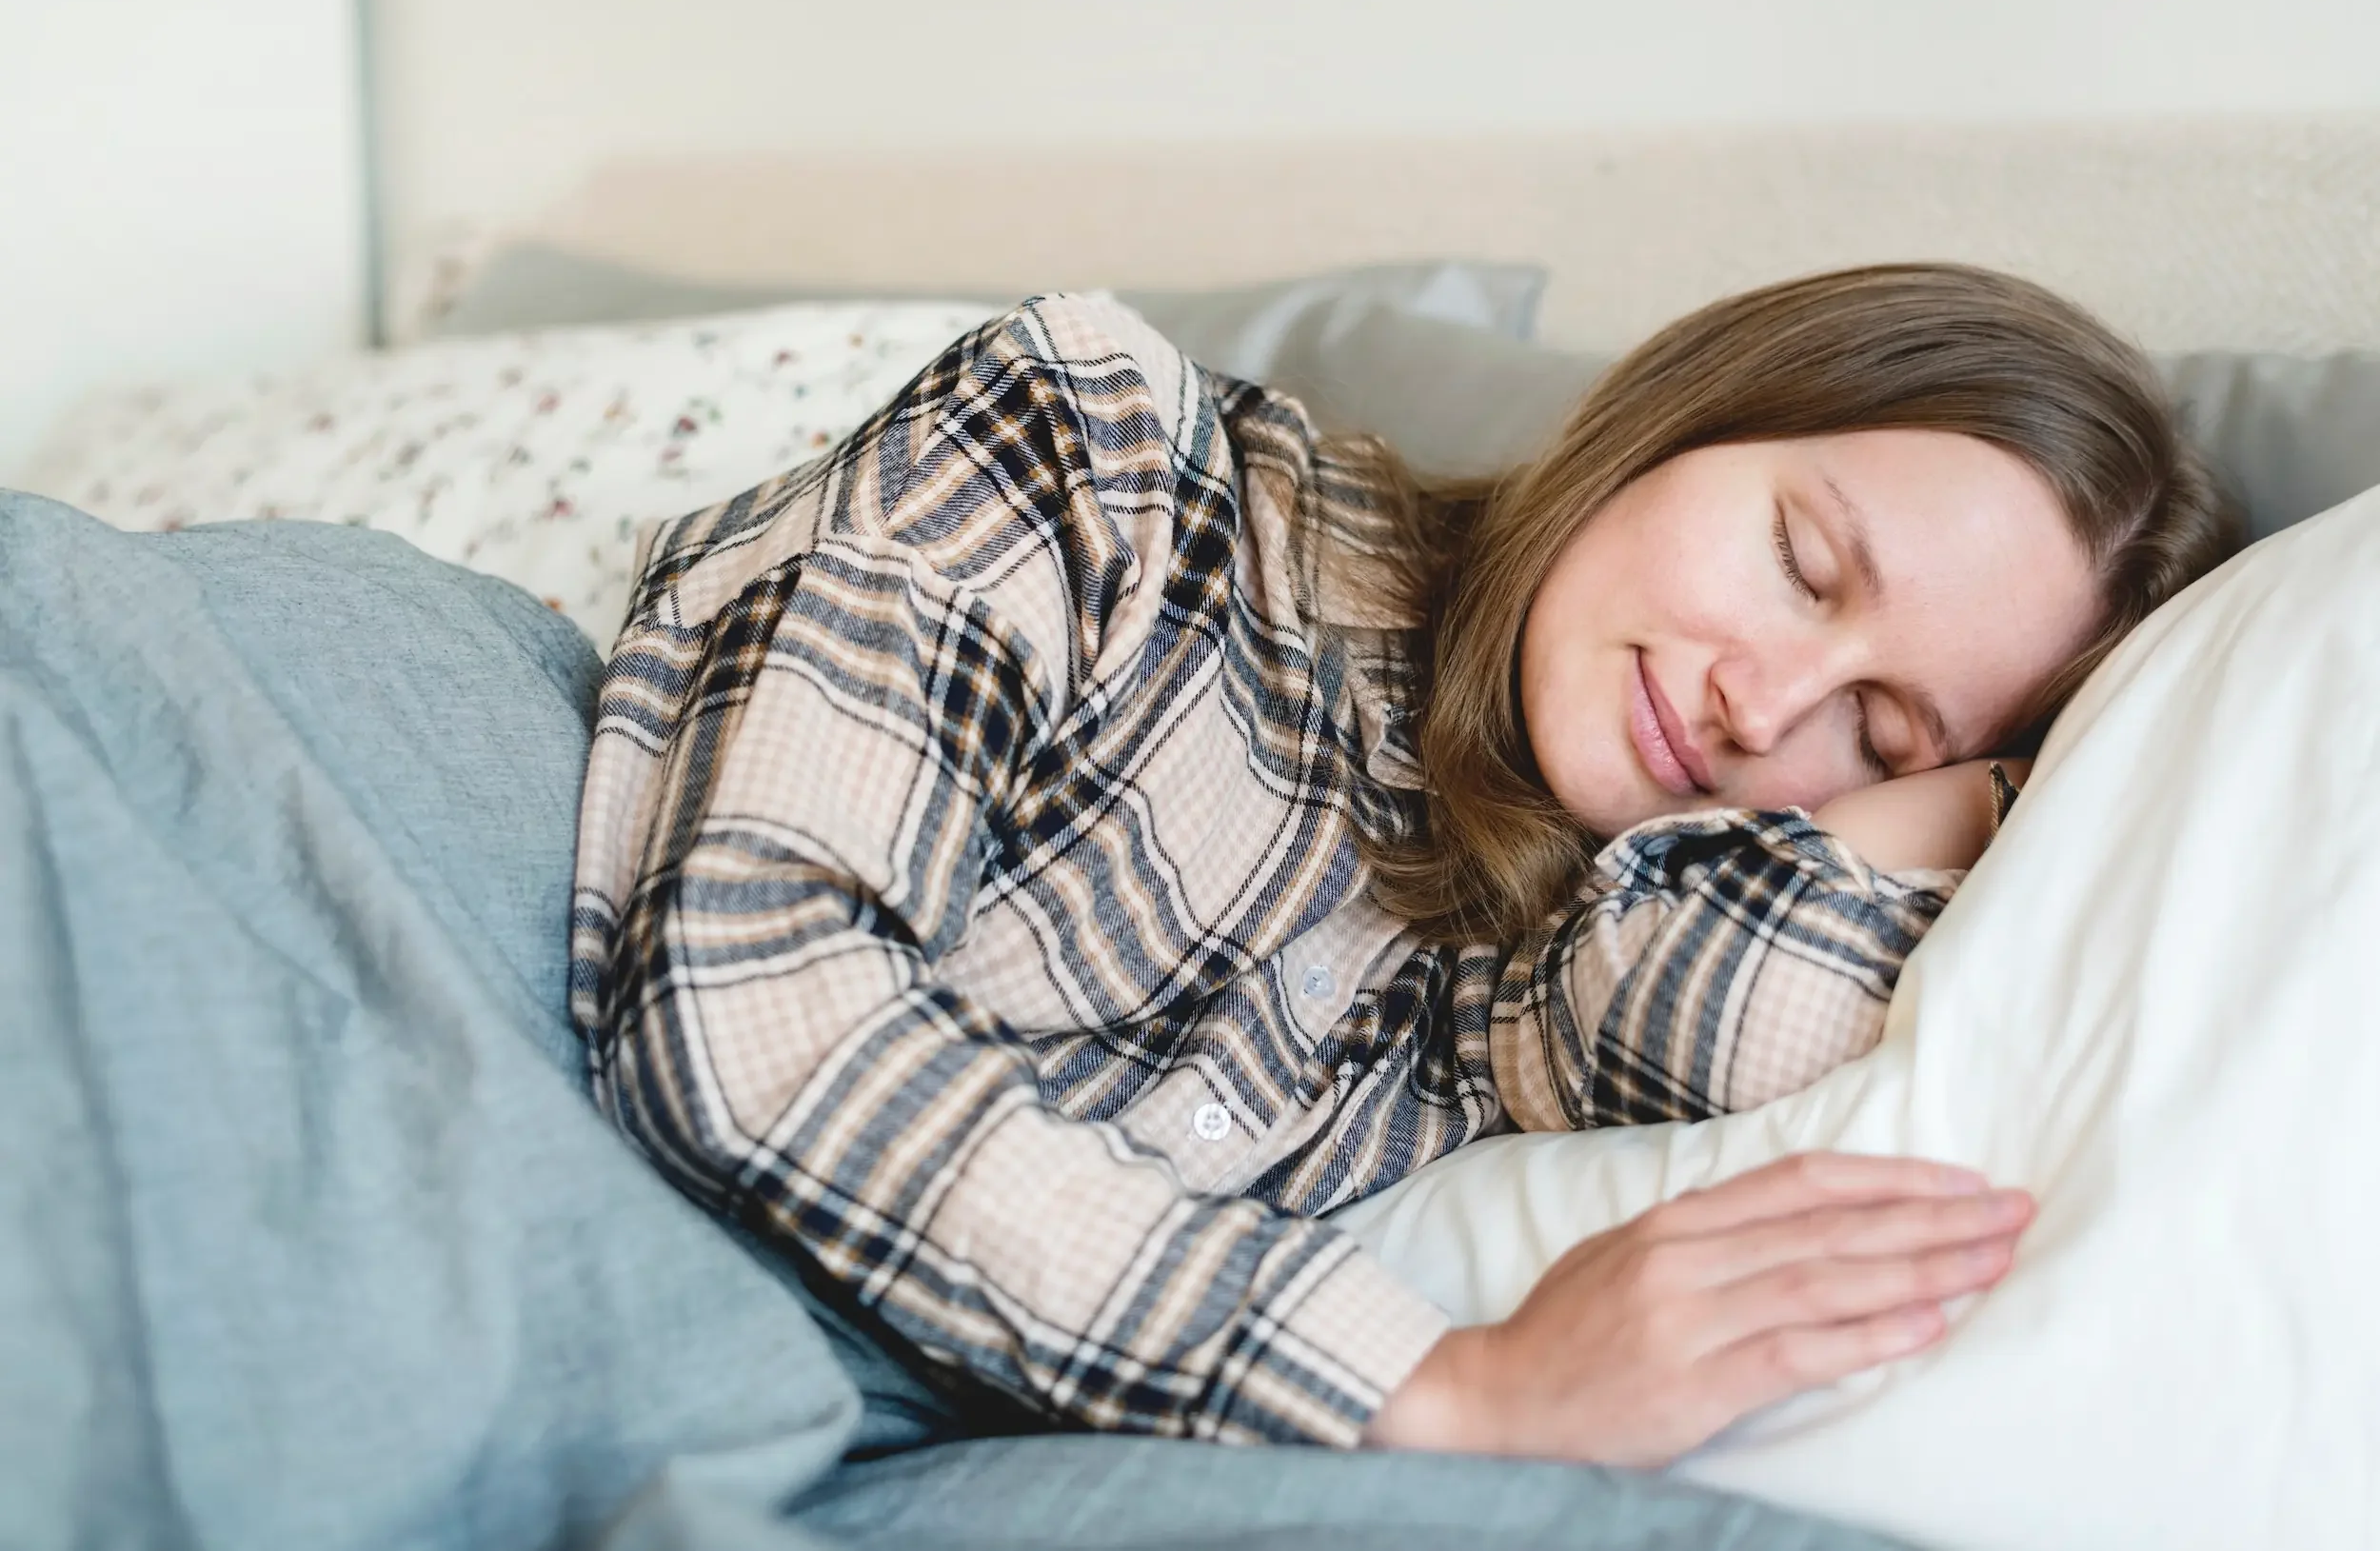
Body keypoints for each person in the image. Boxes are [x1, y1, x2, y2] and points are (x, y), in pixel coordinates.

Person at [567, 265, 2236, 1468]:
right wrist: (1444, 1386)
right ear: (1695, 415)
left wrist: (1984, 794)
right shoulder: (1113, 452)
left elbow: (1749, 1014)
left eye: (1879, 731)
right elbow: (752, 998)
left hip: (682, 1354)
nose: (1765, 702)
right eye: (1802, 563)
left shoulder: (1533, 973)